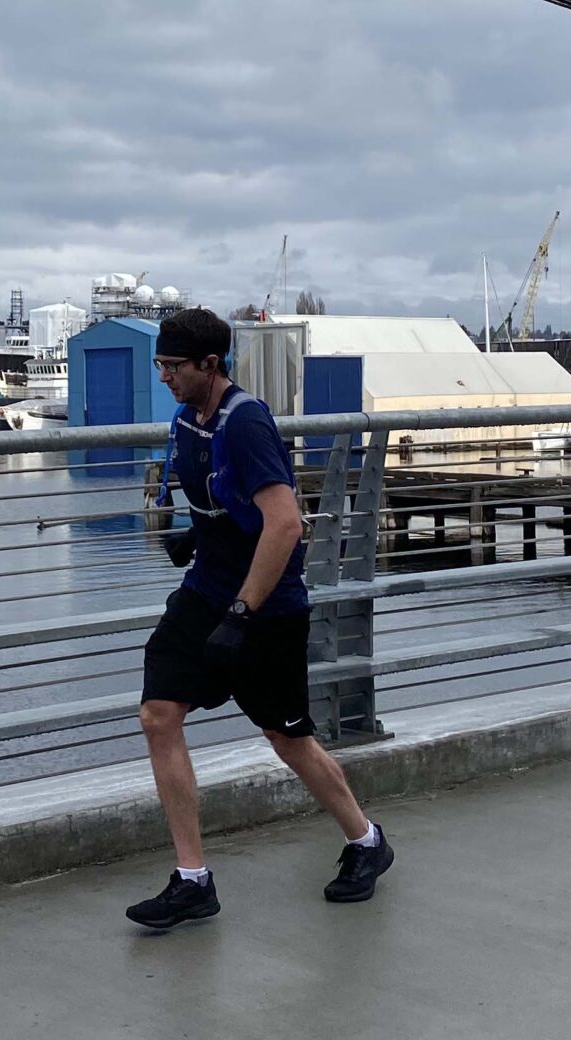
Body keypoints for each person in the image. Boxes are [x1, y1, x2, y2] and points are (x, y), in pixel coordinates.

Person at [125, 307, 393, 929]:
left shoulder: (246, 424)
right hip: (203, 595)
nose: (162, 375)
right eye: (159, 363)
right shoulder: (186, 420)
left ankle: (367, 842)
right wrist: (199, 535)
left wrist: (243, 613)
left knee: (287, 739)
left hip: (265, 608)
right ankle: (193, 880)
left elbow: (285, 522)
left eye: (171, 365)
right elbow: (228, 502)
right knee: (158, 713)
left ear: (208, 365)